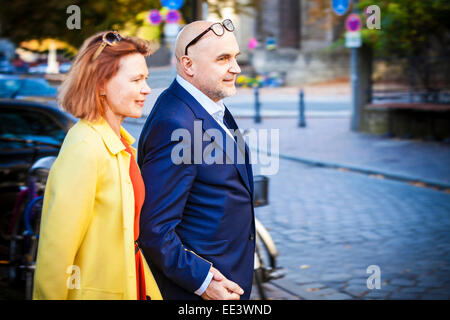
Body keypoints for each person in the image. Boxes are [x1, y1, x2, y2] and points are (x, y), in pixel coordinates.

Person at [33, 31, 162, 300]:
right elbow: (56, 254)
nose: (146, 89)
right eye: (136, 79)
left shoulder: (122, 144)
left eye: (146, 79)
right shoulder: (85, 147)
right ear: (100, 84)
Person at [137, 20, 255, 300]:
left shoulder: (210, 105)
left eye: (235, 57)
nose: (236, 68)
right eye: (223, 59)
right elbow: (154, 230)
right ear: (188, 65)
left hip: (230, 280)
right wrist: (204, 283)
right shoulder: (175, 124)